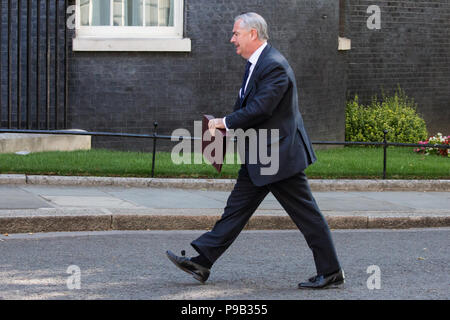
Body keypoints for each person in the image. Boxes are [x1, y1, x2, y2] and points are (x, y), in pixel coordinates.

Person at [167, 12, 344, 289]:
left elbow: (261, 108)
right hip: (261, 154)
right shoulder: (256, 64)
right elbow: (248, 108)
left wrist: (223, 122)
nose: (232, 39)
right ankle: (202, 262)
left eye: (236, 33)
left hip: (279, 156)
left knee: (307, 215)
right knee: (235, 210)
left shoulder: (273, 65)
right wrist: (226, 127)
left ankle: (331, 271)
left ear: (253, 34)